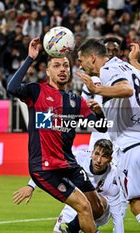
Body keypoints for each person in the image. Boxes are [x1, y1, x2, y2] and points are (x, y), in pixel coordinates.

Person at [7, 37, 109, 233]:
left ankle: (68, 230)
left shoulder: (75, 100)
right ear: (48, 72)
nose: (62, 69)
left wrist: (98, 112)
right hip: (45, 168)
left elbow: (102, 127)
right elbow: (11, 88)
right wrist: (30, 58)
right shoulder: (36, 91)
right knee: (83, 207)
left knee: (98, 208)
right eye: (56, 66)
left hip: (68, 164)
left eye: (65, 66)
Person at [77, 38, 140, 233]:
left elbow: (126, 89)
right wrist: (135, 61)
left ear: (92, 58)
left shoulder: (107, 71)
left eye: (81, 61)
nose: (80, 65)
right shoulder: (126, 66)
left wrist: (97, 89)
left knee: (138, 205)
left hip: (133, 146)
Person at [13, 139, 127, 233]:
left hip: (99, 211)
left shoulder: (114, 176)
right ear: (92, 152)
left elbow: (117, 215)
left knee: (97, 200)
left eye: (104, 156)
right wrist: (31, 185)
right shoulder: (79, 158)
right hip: (77, 203)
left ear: (110, 159)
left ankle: (75, 227)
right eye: (97, 154)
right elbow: (51, 168)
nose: (98, 160)